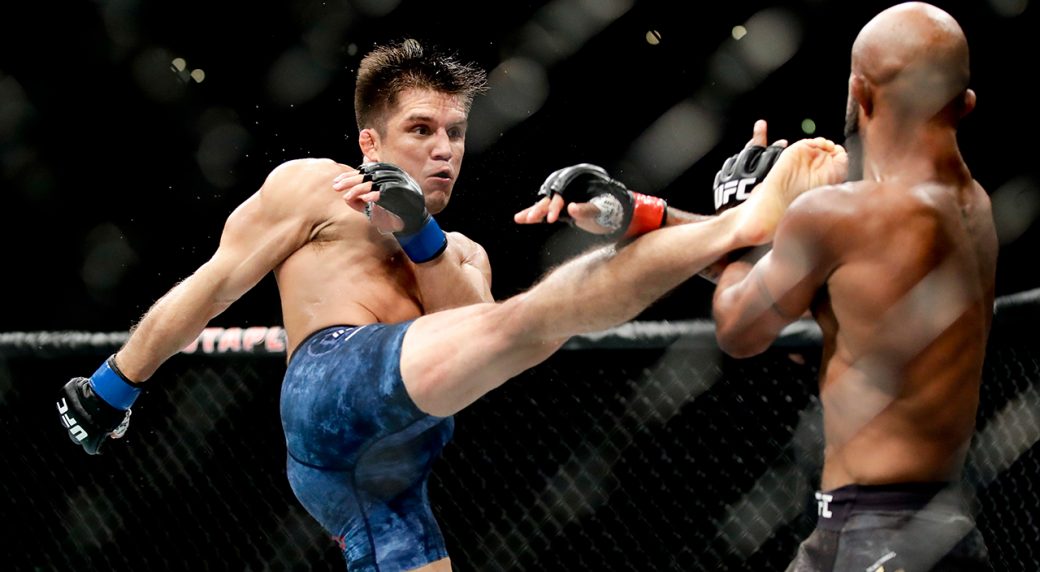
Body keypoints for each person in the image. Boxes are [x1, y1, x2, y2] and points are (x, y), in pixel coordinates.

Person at [55, 38, 848, 572]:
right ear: (371, 142)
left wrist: (422, 237)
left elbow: (477, 339)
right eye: (421, 129)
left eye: (456, 132)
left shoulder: (463, 251)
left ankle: (716, 224)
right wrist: (114, 384)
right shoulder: (314, 189)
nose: (443, 148)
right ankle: (737, 223)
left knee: (520, 326)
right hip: (331, 395)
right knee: (536, 319)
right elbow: (212, 285)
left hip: (390, 480)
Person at [708, 3, 997, 570]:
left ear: (860, 94)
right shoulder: (975, 208)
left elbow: (739, 328)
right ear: (965, 103)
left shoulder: (841, 216)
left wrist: (744, 218)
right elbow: (833, 303)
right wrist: (644, 216)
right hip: (946, 529)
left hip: (869, 532)